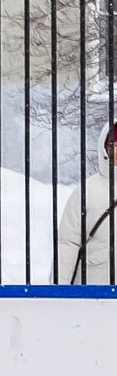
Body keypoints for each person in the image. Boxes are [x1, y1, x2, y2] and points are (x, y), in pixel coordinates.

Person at [60, 122, 117, 286]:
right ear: (106, 149)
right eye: (115, 145)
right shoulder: (88, 190)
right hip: (93, 296)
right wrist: (59, 289)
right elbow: (68, 243)